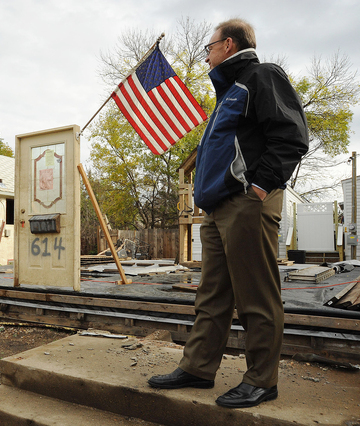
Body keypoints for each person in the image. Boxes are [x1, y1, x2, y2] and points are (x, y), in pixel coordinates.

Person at [148, 19, 308, 409]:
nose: (206, 54)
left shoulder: (261, 76)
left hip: (246, 203)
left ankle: (261, 380)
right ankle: (198, 368)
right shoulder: (227, 94)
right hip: (218, 207)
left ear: (229, 44)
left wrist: (258, 187)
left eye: (209, 46)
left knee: (257, 294)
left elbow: (291, 136)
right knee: (213, 295)